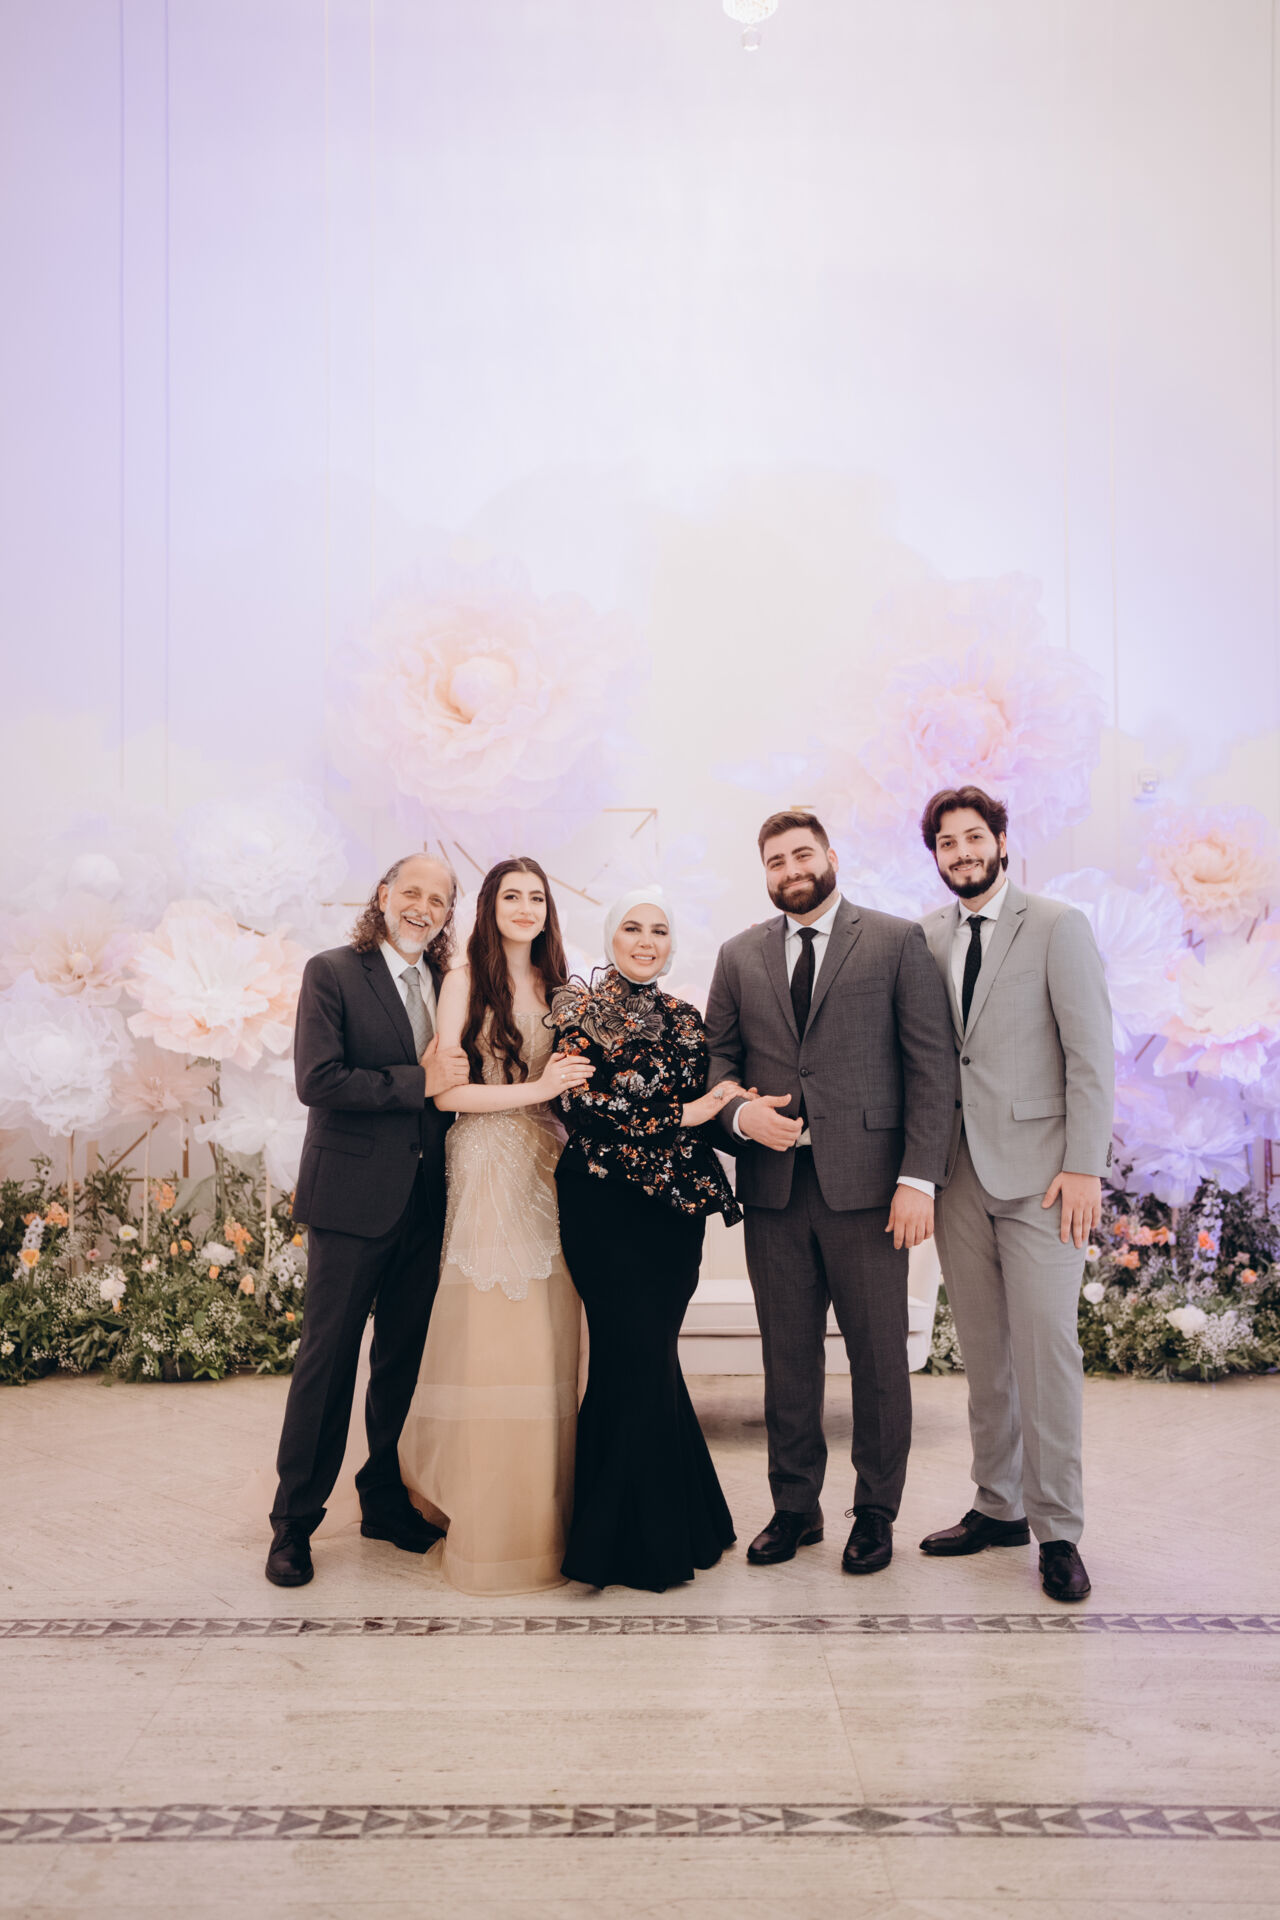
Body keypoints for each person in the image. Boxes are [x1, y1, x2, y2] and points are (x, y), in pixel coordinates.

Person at [704, 810, 956, 1576]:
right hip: (775, 1192)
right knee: (787, 1360)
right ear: (765, 873)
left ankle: (875, 1512)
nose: (791, 870)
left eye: (801, 854)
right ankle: (794, 1508)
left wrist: (918, 1179)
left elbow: (931, 1067)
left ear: (831, 857)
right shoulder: (738, 955)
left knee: (878, 1361)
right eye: (775, 860)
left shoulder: (895, 941)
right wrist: (740, 1116)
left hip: (873, 1192)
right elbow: (716, 1066)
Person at [917, 786, 1114, 1603]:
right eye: (947, 843)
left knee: (1047, 1353)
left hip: (1044, 1179)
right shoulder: (927, 936)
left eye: (974, 837)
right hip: (958, 1176)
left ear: (1001, 840)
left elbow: (1091, 1053)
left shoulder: (1058, 926)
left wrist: (1085, 1165)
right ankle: (997, 1505)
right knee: (986, 1355)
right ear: (935, 855)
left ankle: (1058, 1529)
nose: (962, 853)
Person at [266, 853, 469, 1588]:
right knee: (327, 1363)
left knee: (401, 1363)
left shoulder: (451, 984)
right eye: (411, 891)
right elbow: (317, 1080)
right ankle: (293, 1523)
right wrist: (420, 1081)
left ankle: (383, 1498)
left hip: (426, 1202)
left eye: (438, 900)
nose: (423, 907)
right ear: (383, 896)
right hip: (351, 1202)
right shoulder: (332, 972)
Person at [398, 857, 591, 1594]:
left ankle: (548, 1519)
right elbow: (446, 1096)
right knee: (494, 1333)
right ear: (489, 906)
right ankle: (492, 1525)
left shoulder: (561, 986)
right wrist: (538, 1088)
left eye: (537, 897)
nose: (525, 907)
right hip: (485, 1159)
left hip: (550, 1163)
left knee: (547, 1335)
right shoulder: (463, 981)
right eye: (512, 895)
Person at [550, 888, 741, 1592]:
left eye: (659, 931)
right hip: (602, 1204)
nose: (646, 941)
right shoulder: (578, 1010)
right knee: (629, 1355)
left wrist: (728, 1107)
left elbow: (713, 1102)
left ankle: (680, 1523)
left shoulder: (689, 1018)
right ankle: (633, 1541)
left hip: (674, 1213)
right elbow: (579, 1104)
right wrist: (684, 1112)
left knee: (651, 1356)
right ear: (611, 938)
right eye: (632, 928)